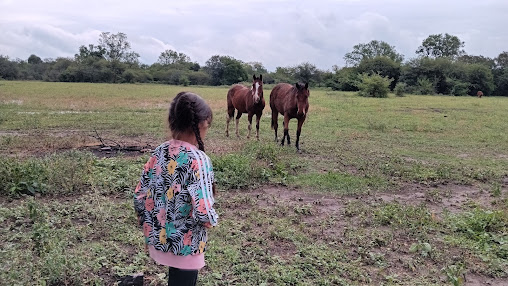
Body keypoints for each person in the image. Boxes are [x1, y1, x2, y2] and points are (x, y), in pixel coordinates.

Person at [133, 91, 218, 286]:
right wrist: (212, 221)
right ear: (202, 123)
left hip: (159, 239)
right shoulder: (199, 160)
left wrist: (145, 220)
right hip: (186, 245)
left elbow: (140, 193)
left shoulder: (160, 150)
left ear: (172, 120)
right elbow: (203, 212)